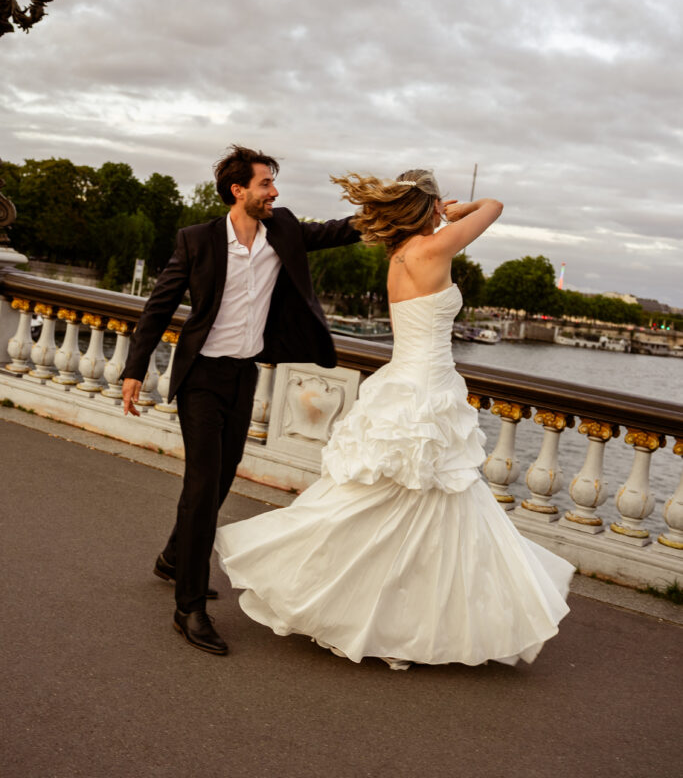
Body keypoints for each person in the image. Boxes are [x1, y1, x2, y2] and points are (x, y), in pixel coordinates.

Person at [214, 168, 574, 669]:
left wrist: (436, 212)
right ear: (428, 207)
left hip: (400, 380)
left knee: (388, 502)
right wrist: (456, 211)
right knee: (434, 501)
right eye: (435, 207)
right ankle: (416, 619)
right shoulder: (434, 248)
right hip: (428, 389)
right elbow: (494, 205)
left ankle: (367, 606)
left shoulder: (399, 255)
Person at [121, 145, 360, 656]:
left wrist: (402, 208)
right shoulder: (197, 241)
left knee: (222, 477)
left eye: (274, 184)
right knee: (203, 484)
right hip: (201, 377)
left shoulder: (285, 230)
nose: (274, 192)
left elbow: (342, 229)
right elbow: (158, 305)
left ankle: (171, 557)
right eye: (266, 184)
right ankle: (189, 608)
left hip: (244, 376)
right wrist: (134, 371)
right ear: (239, 191)